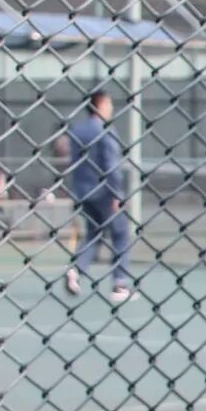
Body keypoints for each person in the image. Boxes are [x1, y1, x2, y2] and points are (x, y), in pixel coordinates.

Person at [66, 89, 135, 302]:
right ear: (101, 104)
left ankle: (76, 270)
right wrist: (117, 194)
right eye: (109, 103)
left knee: (94, 234)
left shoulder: (77, 130)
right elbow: (111, 165)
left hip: (82, 191)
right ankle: (120, 284)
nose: (111, 107)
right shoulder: (105, 130)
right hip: (104, 192)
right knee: (120, 234)